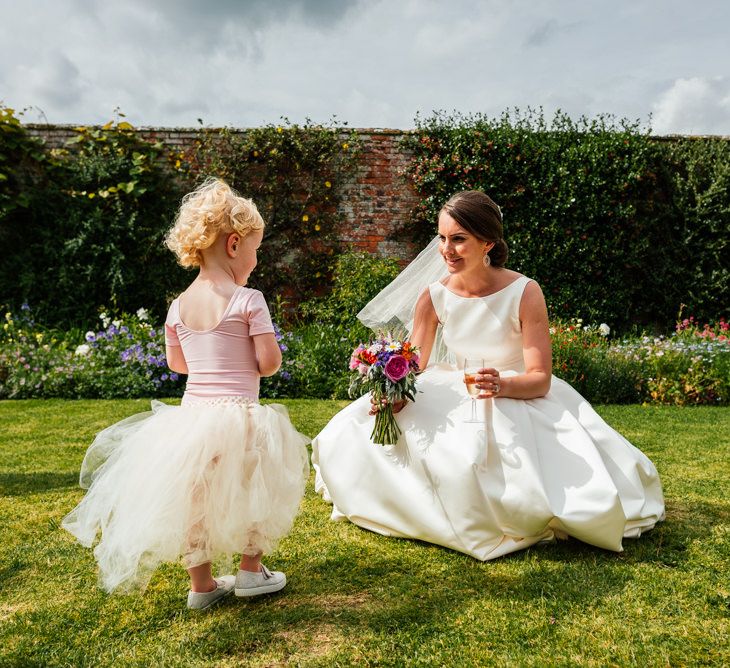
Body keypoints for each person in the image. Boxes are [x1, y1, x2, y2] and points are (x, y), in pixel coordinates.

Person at [312, 190, 664, 561]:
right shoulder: (432, 296)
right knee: (358, 430)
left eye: (459, 239)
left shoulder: (525, 292)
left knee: (490, 466)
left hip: (516, 392)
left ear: (488, 243)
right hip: (453, 386)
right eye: (442, 239)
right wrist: (394, 391)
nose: (447, 250)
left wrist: (502, 385)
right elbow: (414, 364)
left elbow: (541, 377)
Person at [62, 178, 310, 609]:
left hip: (193, 417)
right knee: (255, 488)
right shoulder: (249, 299)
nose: (255, 258)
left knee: (195, 497)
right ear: (234, 245)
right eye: (255, 249)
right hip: (241, 414)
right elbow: (269, 363)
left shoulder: (177, 306)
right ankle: (251, 572)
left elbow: (178, 365)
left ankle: (202, 586)